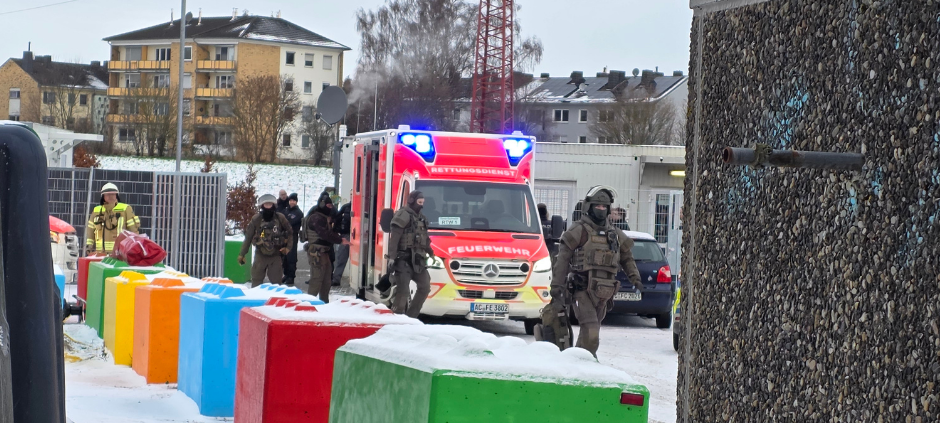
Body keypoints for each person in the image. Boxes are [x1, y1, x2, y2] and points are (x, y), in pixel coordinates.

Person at [536, 186, 641, 357]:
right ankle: (583, 364)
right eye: (597, 206)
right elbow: (562, 260)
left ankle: (577, 365)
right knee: (592, 332)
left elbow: (627, 257)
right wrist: (556, 288)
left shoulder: (614, 233)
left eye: (604, 207)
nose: (601, 210)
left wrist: (635, 277)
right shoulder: (579, 231)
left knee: (588, 334)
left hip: (605, 292)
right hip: (582, 290)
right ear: (588, 207)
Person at [386, 191, 434, 318]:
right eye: (419, 203)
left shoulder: (421, 218)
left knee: (425, 286)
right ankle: (396, 317)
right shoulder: (403, 215)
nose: (421, 206)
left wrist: (431, 253)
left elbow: (425, 239)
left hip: (418, 260)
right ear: (411, 201)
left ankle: (412, 316)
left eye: (423, 203)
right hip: (404, 260)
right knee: (403, 292)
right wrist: (391, 257)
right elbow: (394, 238)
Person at [238, 194, 293, 286]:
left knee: (276, 284)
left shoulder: (280, 218)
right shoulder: (256, 219)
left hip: (275, 255)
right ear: (262, 206)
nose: (268, 206)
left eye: (270, 204)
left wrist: (288, 248)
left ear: (274, 205)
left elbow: (290, 232)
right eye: (266, 204)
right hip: (260, 255)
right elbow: (248, 237)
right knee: (256, 282)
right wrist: (242, 254)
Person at [304, 192, 346, 302]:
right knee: (316, 279)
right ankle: (309, 303)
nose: (330, 208)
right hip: (317, 253)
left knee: (326, 280)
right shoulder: (316, 218)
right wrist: (340, 240)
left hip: (325, 252)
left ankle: (324, 302)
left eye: (331, 206)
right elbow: (325, 234)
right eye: (328, 206)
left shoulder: (322, 217)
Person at [86, 183, 140, 255]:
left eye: (113, 194)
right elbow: (90, 230)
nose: (110, 196)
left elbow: (133, 230)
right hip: (101, 253)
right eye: (107, 194)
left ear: (116, 195)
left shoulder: (125, 209)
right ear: (103, 196)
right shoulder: (97, 211)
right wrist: (89, 246)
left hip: (120, 252)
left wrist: (134, 246)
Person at [280, 193, 304, 286]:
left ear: (296, 201)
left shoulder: (298, 213)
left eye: (293, 200)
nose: (292, 202)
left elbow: (290, 223)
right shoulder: (285, 211)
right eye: (290, 200)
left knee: (291, 256)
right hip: (284, 236)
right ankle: (286, 274)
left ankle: (291, 276)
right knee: (284, 256)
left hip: (292, 236)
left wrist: (286, 223)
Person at [331, 199, 352, 287]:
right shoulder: (346, 207)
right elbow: (337, 219)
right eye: (351, 194)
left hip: (360, 236)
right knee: (341, 258)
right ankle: (336, 279)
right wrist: (337, 230)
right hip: (346, 235)